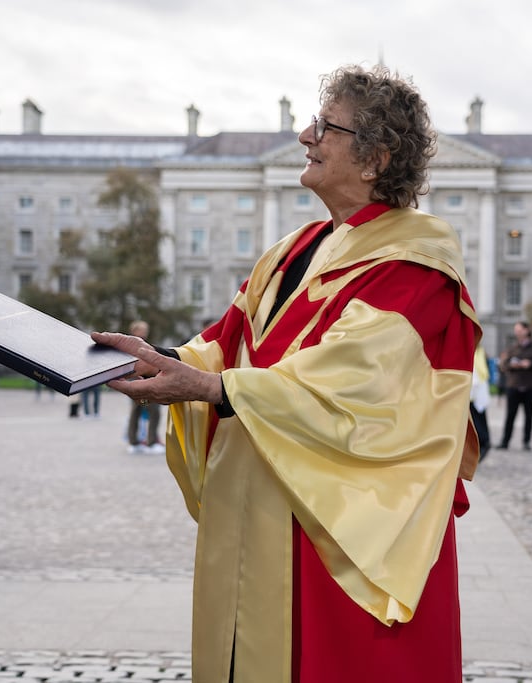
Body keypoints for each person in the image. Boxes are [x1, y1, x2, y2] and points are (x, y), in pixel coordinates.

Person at [93, 64, 481, 683]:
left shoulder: (418, 260)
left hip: (336, 533)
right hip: (259, 504)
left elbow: (353, 381)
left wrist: (213, 389)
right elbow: (225, 345)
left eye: (325, 126)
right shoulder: (293, 249)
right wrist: (161, 362)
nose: (305, 135)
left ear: (375, 158)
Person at [495, 321, 532, 451]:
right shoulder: (512, 348)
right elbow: (503, 365)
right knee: (510, 415)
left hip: (530, 385)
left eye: (519, 329)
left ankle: (526, 441)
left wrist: (530, 364)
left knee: (529, 416)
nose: (517, 332)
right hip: (514, 385)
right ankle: (505, 441)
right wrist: (512, 365)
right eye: (515, 330)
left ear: (527, 330)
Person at [125, 320, 164, 454]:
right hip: (140, 384)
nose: (145, 332)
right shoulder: (132, 346)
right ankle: (149, 441)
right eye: (142, 329)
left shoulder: (143, 345)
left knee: (141, 411)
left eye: (146, 329)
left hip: (145, 383)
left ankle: (137, 441)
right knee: (150, 410)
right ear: (134, 331)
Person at [470, 345, 492, 464]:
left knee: (478, 419)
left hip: (476, 391)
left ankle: (483, 443)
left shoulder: (478, 351)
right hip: (473, 391)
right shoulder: (477, 351)